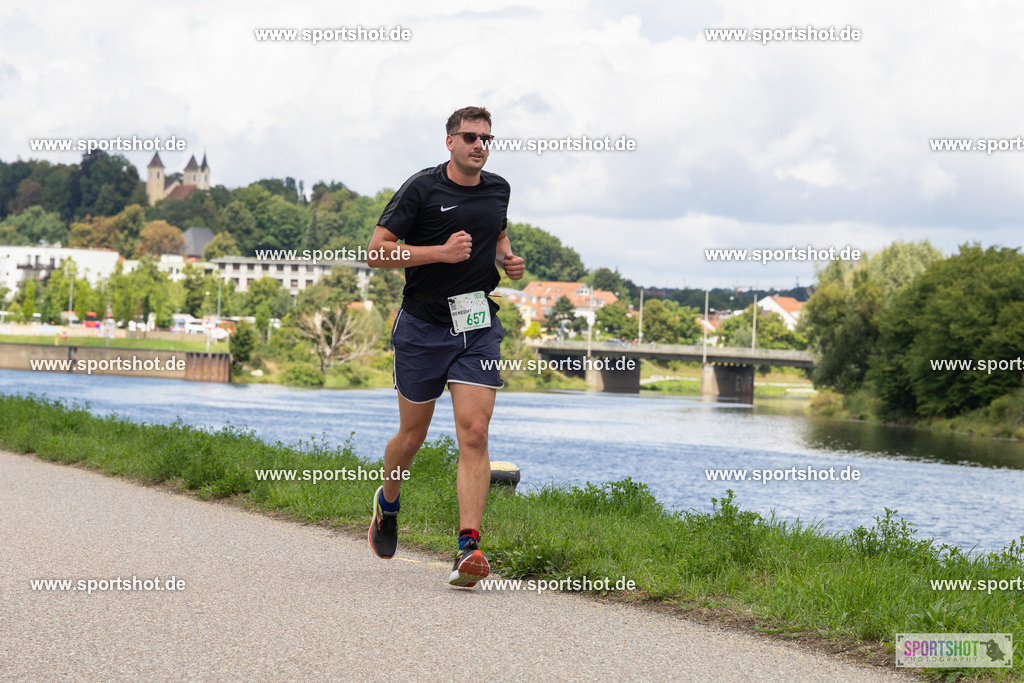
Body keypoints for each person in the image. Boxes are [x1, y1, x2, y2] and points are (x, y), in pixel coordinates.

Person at [365, 106, 526, 587]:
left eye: (486, 138)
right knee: (412, 436)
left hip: (476, 323)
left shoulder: (498, 189)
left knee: (474, 431)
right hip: (422, 325)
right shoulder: (422, 188)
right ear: (450, 141)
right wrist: (439, 253)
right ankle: (388, 502)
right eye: (470, 137)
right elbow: (376, 252)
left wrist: (507, 258)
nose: (479, 145)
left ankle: (468, 548)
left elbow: (496, 232)